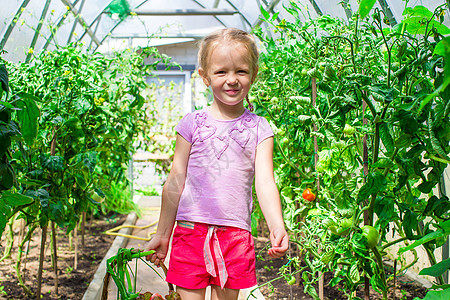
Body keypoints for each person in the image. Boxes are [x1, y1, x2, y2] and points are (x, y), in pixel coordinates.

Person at [145, 28, 289, 300]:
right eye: (221, 72)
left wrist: (277, 225)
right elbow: (176, 180)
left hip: (234, 237)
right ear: (205, 77)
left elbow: (265, 183)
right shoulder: (191, 124)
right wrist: (163, 233)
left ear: (253, 75)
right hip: (190, 233)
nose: (232, 80)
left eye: (241, 71)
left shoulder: (260, 128)